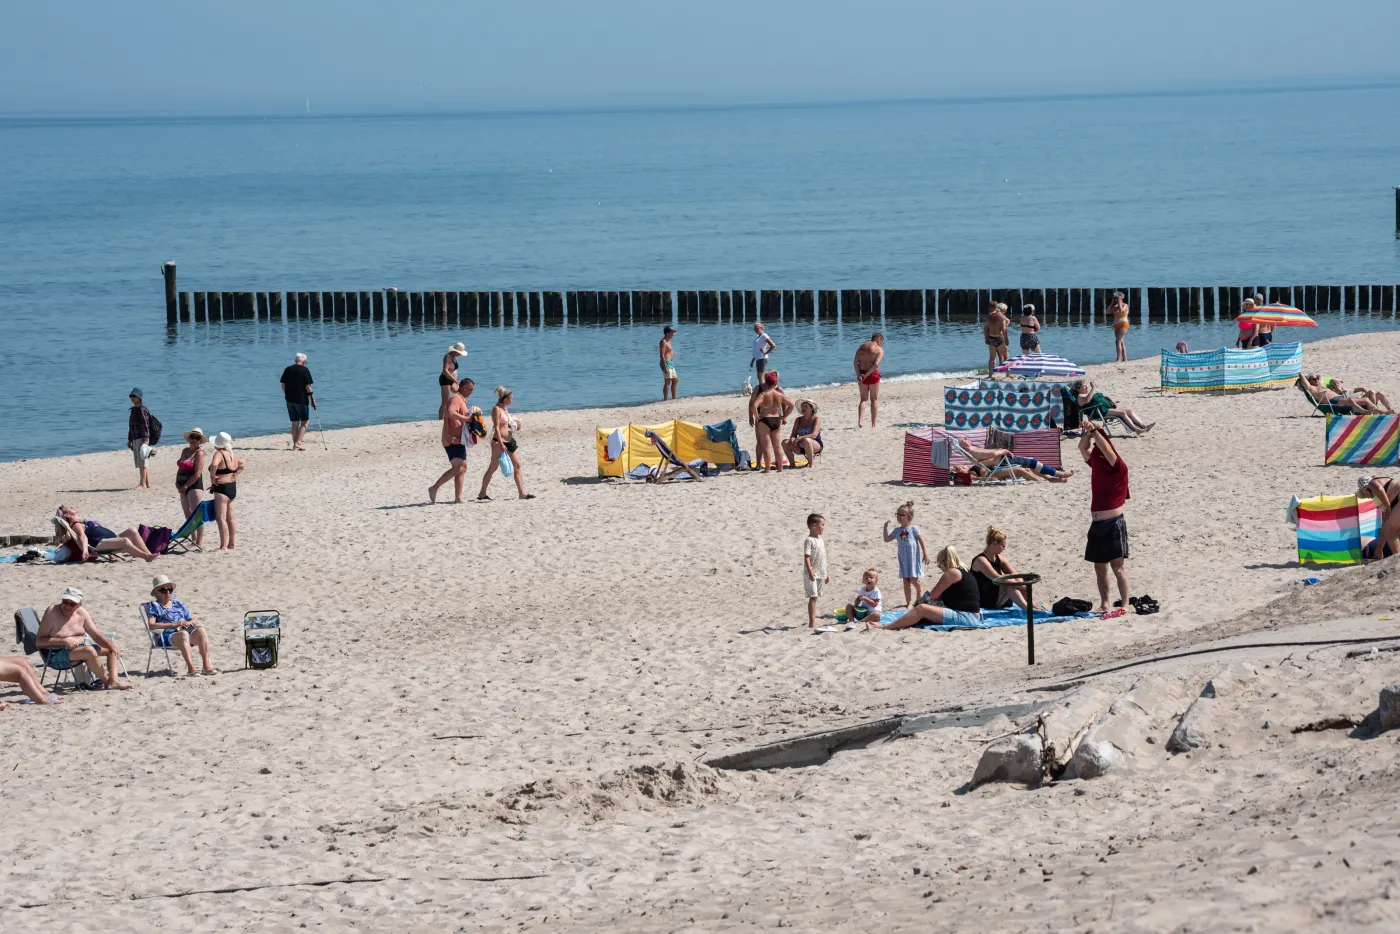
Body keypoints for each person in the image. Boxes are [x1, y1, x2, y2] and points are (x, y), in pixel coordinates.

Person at [36, 587, 132, 691]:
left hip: (77, 650)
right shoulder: (52, 611)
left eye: (72, 604)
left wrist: (110, 643)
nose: (67, 606)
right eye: (65, 602)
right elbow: (39, 641)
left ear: (79, 605)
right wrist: (63, 641)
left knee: (112, 647)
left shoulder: (81, 613)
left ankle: (113, 681)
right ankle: (106, 682)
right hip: (55, 654)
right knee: (89, 651)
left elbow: (95, 635)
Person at [1080, 423, 1130, 616]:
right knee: (1099, 566)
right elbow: (1082, 448)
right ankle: (1105, 603)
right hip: (1097, 523)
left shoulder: (1117, 465)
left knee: (1117, 567)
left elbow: (1108, 450)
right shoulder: (1097, 461)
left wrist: (1095, 431)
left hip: (1113, 522)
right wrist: (1087, 432)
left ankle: (1125, 603)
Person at [866, 547, 982, 630]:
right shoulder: (964, 571)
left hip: (965, 617)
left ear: (944, 562)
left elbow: (933, 596)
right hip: (973, 615)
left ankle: (886, 627)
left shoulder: (951, 573)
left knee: (921, 609)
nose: (940, 568)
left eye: (939, 565)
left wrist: (919, 603)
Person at [142, 574, 215, 676]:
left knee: (200, 630)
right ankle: (191, 668)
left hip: (183, 632)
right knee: (184, 634)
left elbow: (193, 618)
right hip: (165, 636)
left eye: (170, 590)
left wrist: (191, 622)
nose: (167, 592)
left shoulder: (177, 603)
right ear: (156, 593)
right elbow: (152, 625)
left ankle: (206, 666)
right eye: (163, 590)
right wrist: (174, 624)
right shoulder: (154, 606)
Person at [429, 378, 481, 504]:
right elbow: (451, 413)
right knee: (458, 467)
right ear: (463, 388)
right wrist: (466, 418)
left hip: (459, 439)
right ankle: (434, 488)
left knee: (462, 467)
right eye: (470, 389)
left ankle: (458, 497)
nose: (472, 392)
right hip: (451, 439)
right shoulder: (456, 399)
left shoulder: (462, 400)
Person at [478, 386, 534, 501]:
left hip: (509, 440)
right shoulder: (496, 409)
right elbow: (497, 428)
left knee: (517, 465)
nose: (512, 400)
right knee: (493, 468)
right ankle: (482, 493)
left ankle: (522, 493)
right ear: (505, 399)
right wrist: (501, 443)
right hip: (499, 442)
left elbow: (506, 425)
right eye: (511, 398)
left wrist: (515, 424)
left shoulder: (505, 408)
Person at [53, 505, 157, 563]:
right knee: (125, 541)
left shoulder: (81, 521)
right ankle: (145, 556)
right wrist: (85, 550)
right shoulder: (75, 524)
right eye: (69, 508)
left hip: (108, 539)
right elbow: (82, 537)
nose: (72, 506)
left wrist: (110, 554)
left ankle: (148, 553)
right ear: (67, 515)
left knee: (132, 531)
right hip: (99, 543)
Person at [969, 527, 1031, 610]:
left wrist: (1023, 586)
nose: (1004, 549)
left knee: (1015, 577)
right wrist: (1019, 585)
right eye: (1002, 546)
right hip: (983, 599)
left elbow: (1015, 574)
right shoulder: (981, 560)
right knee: (1009, 584)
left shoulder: (1000, 558)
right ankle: (1027, 609)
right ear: (994, 543)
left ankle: (1032, 606)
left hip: (996, 596)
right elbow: (996, 578)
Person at [956, 440, 1073, 482]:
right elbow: (993, 453)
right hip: (1003, 460)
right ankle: (1059, 474)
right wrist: (1004, 451)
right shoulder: (972, 451)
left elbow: (989, 455)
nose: (968, 439)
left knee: (1032, 464)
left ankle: (1051, 478)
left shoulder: (970, 453)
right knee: (1033, 463)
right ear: (964, 446)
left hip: (1000, 461)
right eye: (964, 440)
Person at [748, 372, 794, 472]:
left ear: (766, 383)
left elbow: (753, 406)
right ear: (775, 383)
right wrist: (784, 416)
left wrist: (756, 417)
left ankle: (767, 469)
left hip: (765, 419)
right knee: (777, 446)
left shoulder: (763, 394)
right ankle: (780, 468)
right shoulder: (779, 394)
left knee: (766, 446)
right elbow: (791, 405)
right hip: (776, 420)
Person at [882, 502, 926, 607]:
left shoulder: (913, 528)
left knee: (914, 580)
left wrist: (925, 553)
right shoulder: (897, 530)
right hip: (903, 560)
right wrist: (885, 528)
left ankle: (919, 595)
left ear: (909, 517)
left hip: (913, 559)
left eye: (903, 515)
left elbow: (921, 540)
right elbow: (886, 539)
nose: (900, 517)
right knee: (906, 581)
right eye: (898, 514)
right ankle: (909, 602)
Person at [1071, 380, 1155, 434]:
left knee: (1129, 410)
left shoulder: (1088, 393)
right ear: (1078, 389)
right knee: (1122, 413)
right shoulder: (1080, 396)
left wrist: (1112, 401)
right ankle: (1136, 429)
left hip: (1105, 408)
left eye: (1086, 386)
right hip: (1098, 412)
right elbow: (1087, 400)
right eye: (1084, 386)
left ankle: (1144, 426)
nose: (1086, 387)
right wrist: (1093, 388)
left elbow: (1105, 396)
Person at [209, 432, 243, 550]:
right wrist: (235, 474)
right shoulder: (232, 454)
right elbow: (242, 464)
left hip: (222, 488)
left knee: (221, 517)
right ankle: (232, 543)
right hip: (232, 487)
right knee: (231, 517)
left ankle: (223, 545)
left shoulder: (219, 453)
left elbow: (214, 465)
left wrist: (212, 477)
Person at [175, 428, 207, 548]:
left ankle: (199, 540)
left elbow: (198, 473)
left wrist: (186, 486)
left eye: (197, 438)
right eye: (192, 437)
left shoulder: (200, 453)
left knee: (196, 514)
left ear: (200, 441)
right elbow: (180, 467)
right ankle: (193, 539)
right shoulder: (185, 451)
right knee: (187, 514)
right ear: (189, 438)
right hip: (182, 486)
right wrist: (177, 483)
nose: (193, 440)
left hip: (194, 485)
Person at [1299, 374, 1385, 415]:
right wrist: (1306, 376)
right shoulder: (1312, 389)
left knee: (1366, 400)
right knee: (1351, 400)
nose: (1316, 380)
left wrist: (1314, 375)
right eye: (1313, 379)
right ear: (1309, 381)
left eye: (1316, 379)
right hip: (1334, 402)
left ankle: (1379, 411)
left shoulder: (1321, 384)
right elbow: (1301, 375)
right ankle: (1367, 412)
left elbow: (1320, 375)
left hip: (1340, 398)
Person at [1360, 475, 1400, 562]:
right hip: (1396, 500)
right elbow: (1384, 526)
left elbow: (1379, 489)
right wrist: (1379, 549)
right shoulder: (1385, 497)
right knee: (1396, 530)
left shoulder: (1372, 483)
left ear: (1366, 489)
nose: (1367, 497)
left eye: (1364, 493)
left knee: (1390, 530)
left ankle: (1397, 560)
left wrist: (1388, 506)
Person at [280, 353, 316, 450]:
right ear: (304, 362)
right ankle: (298, 443)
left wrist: (287, 394)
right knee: (305, 422)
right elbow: (308, 387)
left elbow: (283, 385)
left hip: (289, 399)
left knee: (294, 423)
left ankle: (295, 444)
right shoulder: (305, 370)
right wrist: (313, 400)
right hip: (301, 400)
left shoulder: (288, 369)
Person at [802, 513, 830, 629]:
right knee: (813, 596)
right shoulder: (809, 540)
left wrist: (826, 573)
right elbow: (807, 557)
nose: (824, 527)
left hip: (820, 572)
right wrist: (810, 571)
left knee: (816, 596)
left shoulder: (820, 539)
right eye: (822, 525)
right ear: (814, 526)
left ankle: (813, 620)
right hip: (811, 574)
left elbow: (823, 557)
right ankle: (811, 622)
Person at [854, 332, 885, 427]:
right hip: (872, 374)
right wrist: (867, 375)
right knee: (874, 399)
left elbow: (855, 362)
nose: (882, 344)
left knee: (863, 400)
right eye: (882, 342)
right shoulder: (879, 350)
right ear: (879, 340)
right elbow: (876, 364)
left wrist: (859, 374)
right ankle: (873, 423)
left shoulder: (861, 347)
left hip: (862, 374)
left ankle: (860, 421)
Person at [782, 400, 823, 467]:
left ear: (811, 408)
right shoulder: (798, 420)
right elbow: (793, 434)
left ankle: (811, 464)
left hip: (815, 444)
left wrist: (801, 437)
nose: (803, 408)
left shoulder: (816, 419)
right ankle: (792, 464)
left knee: (807, 440)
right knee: (784, 442)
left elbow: (814, 435)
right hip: (801, 445)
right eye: (802, 406)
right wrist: (792, 438)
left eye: (805, 406)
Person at [128, 387, 153, 489]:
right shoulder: (134, 409)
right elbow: (131, 426)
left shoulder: (141, 409)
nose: (132, 398)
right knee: (142, 460)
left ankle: (142, 484)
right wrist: (129, 439)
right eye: (131, 396)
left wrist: (146, 440)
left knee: (142, 461)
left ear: (139, 397)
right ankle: (147, 483)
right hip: (135, 437)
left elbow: (145, 425)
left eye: (134, 396)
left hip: (141, 438)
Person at [1326, 377, 1394, 413]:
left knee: (1380, 393)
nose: (1341, 382)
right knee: (1371, 391)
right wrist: (1339, 388)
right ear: (1335, 383)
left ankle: (1390, 410)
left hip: (1360, 398)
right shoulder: (1335, 390)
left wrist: (1363, 389)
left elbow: (1356, 389)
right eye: (1339, 381)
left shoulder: (1345, 388)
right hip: (1355, 402)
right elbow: (1339, 395)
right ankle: (1375, 410)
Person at [438, 343, 467, 419]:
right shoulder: (447, 356)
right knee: (445, 401)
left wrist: (454, 380)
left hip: (452, 381)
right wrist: (455, 380)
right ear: (455, 351)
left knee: (460, 394)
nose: (460, 355)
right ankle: (441, 419)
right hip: (445, 380)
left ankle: (458, 413)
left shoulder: (454, 357)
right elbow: (445, 370)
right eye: (459, 353)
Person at [984, 303, 1010, 372]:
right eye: (1005, 311)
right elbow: (1004, 330)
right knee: (1005, 356)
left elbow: (986, 328)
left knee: (992, 358)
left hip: (991, 337)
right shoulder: (1002, 316)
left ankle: (990, 374)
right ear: (1003, 309)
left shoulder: (990, 315)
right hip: (999, 337)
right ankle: (1007, 373)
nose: (1005, 312)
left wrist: (986, 337)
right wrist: (1006, 339)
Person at [1108, 292, 1130, 362]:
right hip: (1116, 325)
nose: (1116, 299)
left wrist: (1120, 302)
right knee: (1121, 342)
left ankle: (1118, 359)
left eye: (1117, 298)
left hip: (1123, 324)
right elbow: (1107, 312)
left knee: (1117, 341)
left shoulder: (1125, 305)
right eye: (1115, 298)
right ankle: (1125, 358)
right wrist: (1112, 303)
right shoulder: (1115, 307)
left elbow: (1121, 310)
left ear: (1121, 298)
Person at [659, 327, 678, 401]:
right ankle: (665, 400)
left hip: (670, 362)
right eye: (672, 333)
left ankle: (674, 399)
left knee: (675, 380)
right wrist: (665, 367)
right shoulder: (663, 341)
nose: (673, 334)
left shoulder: (669, 342)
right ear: (667, 333)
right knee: (667, 381)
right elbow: (662, 355)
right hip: (666, 362)